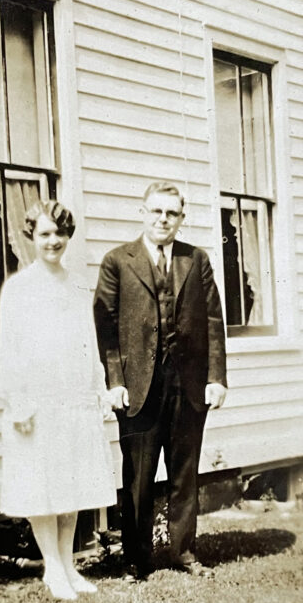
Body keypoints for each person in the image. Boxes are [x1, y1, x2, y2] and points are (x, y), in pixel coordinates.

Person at [93, 181, 227, 581]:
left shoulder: (196, 259)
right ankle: (137, 559)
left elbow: (214, 322)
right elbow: (106, 327)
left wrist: (216, 377)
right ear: (143, 212)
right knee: (139, 476)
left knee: (185, 472)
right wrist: (115, 381)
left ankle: (185, 551)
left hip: (187, 385)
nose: (163, 219)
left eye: (171, 213)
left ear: (181, 218)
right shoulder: (118, 261)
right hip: (138, 387)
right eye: (156, 211)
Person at [0, 200, 117, 600]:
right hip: (36, 398)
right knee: (41, 483)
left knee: (73, 483)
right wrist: (17, 402)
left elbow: (90, 343)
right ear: (32, 236)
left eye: (60, 234)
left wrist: (98, 390)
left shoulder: (78, 286)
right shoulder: (19, 289)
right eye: (45, 233)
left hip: (74, 396)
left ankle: (68, 565)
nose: (54, 241)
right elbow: (10, 349)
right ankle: (52, 568)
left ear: (69, 237)